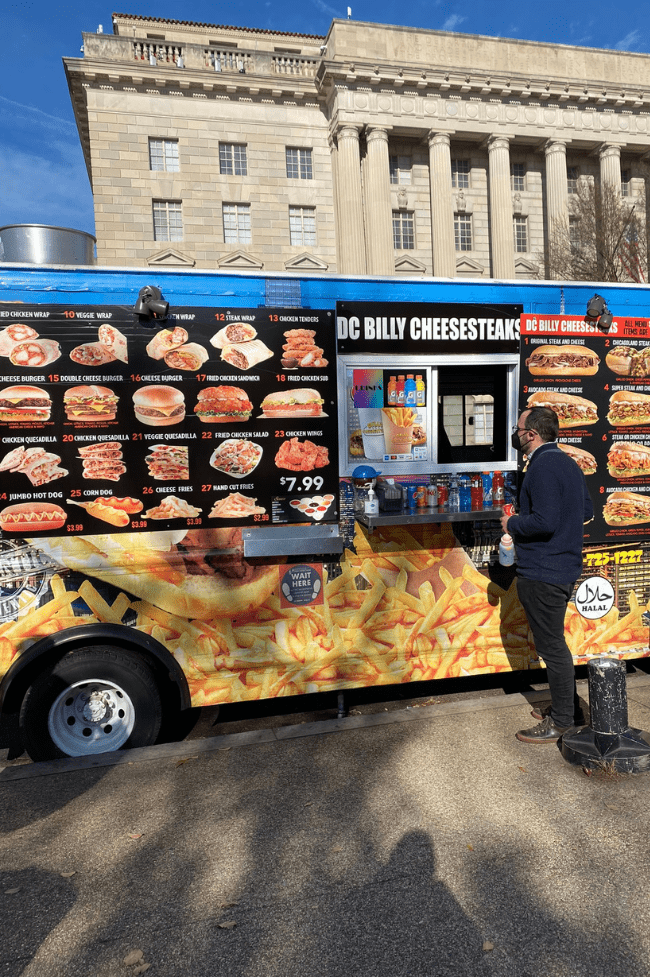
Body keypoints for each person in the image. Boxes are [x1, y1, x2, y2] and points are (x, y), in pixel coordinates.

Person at [501, 406, 593, 744]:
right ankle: (569, 708)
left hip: (543, 571)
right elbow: (587, 511)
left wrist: (512, 523)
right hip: (563, 568)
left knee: (552, 648)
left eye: (518, 429)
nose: (516, 434)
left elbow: (545, 521)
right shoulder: (568, 462)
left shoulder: (541, 467)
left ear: (531, 434)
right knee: (555, 645)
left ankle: (563, 721)